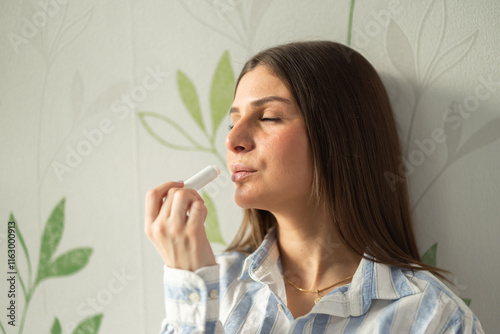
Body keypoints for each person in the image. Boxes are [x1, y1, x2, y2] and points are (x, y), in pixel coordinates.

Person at [145, 41, 483, 333]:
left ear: (339, 137)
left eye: (269, 117)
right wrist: (190, 289)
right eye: (233, 122)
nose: (232, 139)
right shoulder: (215, 285)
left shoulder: (435, 318)